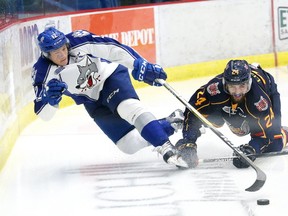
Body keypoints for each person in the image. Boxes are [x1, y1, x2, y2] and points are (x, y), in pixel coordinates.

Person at [31, 27, 188, 168]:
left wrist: (139, 64)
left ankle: (166, 148)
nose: (62, 54)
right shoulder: (41, 73)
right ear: (46, 54)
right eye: (55, 52)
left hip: (110, 78)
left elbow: (112, 48)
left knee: (128, 108)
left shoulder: (78, 40)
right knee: (128, 144)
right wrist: (50, 101)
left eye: (63, 48)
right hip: (91, 101)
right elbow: (43, 114)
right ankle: (172, 123)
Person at [175, 59, 288, 168]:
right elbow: (193, 111)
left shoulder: (259, 101)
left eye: (242, 86)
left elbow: (265, 137)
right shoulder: (214, 89)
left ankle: (285, 132)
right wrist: (188, 141)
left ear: (248, 83)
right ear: (225, 83)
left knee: (275, 144)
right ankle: (186, 125)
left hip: (268, 89)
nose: (237, 92)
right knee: (213, 121)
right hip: (229, 105)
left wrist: (252, 149)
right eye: (232, 86)